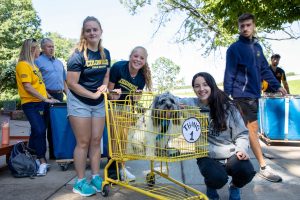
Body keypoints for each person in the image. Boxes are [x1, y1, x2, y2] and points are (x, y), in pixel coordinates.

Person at [224, 13, 287, 183]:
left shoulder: (257, 48)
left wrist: (277, 86)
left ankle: (238, 157)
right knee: (252, 130)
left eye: (248, 25)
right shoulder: (234, 49)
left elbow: (265, 70)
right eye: (242, 26)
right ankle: (263, 167)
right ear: (239, 27)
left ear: (253, 26)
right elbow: (229, 72)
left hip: (254, 95)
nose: (245, 28)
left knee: (247, 131)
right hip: (241, 95)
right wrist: (227, 95)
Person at [180, 72, 255, 200]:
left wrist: (241, 149)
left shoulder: (228, 107)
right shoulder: (191, 104)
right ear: (194, 89)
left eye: (205, 85)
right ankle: (211, 187)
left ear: (212, 85)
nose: (201, 89)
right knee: (217, 178)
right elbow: (173, 100)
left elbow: (242, 133)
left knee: (247, 171)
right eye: (197, 86)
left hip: (230, 152)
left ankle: (235, 186)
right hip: (206, 154)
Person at [67, 16, 110, 197]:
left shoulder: (105, 53)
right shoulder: (77, 55)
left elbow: (106, 74)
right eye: (88, 30)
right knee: (83, 142)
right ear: (84, 33)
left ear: (101, 31)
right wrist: (92, 94)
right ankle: (80, 182)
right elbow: (71, 83)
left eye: (95, 29)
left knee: (95, 140)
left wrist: (104, 86)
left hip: (98, 101)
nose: (92, 32)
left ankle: (95, 176)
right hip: (80, 101)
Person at [107, 46, 152, 181]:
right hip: (113, 106)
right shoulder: (118, 67)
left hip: (127, 109)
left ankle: (122, 168)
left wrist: (137, 95)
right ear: (130, 56)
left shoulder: (141, 77)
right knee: (115, 138)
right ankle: (113, 171)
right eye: (135, 56)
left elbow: (135, 100)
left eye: (141, 58)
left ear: (145, 61)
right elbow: (109, 93)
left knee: (124, 140)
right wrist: (114, 94)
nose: (138, 60)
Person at [15, 39, 59, 176]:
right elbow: (27, 86)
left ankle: (31, 156)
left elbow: (40, 85)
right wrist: (44, 98)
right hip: (31, 103)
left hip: (41, 102)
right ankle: (42, 161)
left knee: (37, 131)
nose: (39, 51)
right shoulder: (23, 65)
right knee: (39, 130)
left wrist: (49, 97)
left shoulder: (34, 66)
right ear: (30, 50)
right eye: (36, 49)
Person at [35, 38, 68, 160]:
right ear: (43, 48)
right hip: (45, 96)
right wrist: (46, 96)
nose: (52, 48)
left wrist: (68, 96)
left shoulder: (59, 62)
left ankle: (55, 154)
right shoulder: (37, 61)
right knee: (43, 126)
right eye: (49, 46)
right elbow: (38, 82)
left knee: (57, 126)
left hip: (59, 96)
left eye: (53, 46)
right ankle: (38, 154)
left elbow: (64, 81)